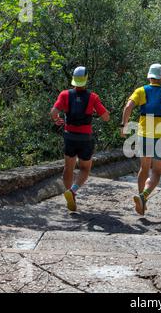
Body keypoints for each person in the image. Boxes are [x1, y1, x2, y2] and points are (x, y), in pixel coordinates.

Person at [121, 63, 161, 215]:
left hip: (143, 133)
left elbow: (128, 107)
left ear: (149, 76)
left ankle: (142, 201)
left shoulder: (140, 91)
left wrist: (124, 125)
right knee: (157, 171)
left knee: (144, 168)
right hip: (160, 136)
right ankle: (144, 196)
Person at [50, 66, 110, 212]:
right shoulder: (93, 97)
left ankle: (69, 191)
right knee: (85, 168)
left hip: (69, 136)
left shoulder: (65, 95)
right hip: (85, 138)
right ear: (86, 79)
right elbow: (106, 117)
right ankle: (73, 191)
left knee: (68, 167)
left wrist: (56, 119)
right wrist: (100, 111)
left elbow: (53, 111)